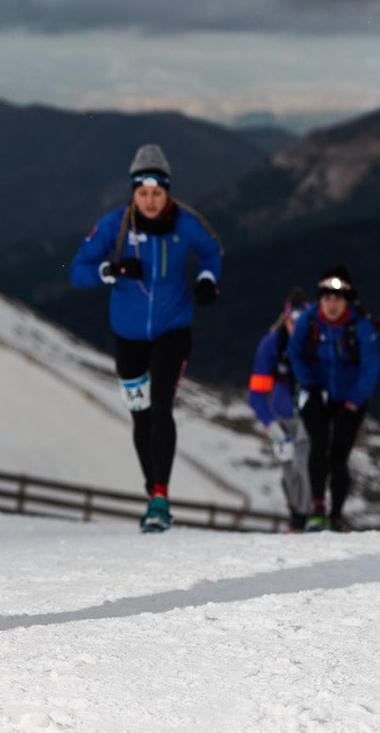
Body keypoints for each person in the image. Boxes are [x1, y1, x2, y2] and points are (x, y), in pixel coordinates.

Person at [69, 143, 223, 532]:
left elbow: (211, 252)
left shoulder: (186, 223)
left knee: (160, 409)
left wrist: (207, 280)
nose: (151, 201)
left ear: (168, 191)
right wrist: (112, 270)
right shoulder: (114, 225)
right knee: (140, 416)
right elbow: (77, 271)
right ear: (133, 192)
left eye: (157, 193)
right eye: (143, 193)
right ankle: (151, 489)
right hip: (129, 337)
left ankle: (160, 498)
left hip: (173, 330)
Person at [287, 264, 380, 532]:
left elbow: (370, 368)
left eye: (337, 299)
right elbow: (296, 353)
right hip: (316, 393)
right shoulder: (309, 321)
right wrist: (310, 385)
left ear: (347, 301)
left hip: (350, 400)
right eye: (327, 298)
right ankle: (318, 508)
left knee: (339, 454)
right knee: (318, 446)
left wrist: (355, 401)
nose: (331, 305)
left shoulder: (361, 328)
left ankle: (336, 514)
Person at [248, 289, 313, 532]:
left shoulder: (318, 342)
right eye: (294, 321)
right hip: (281, 416)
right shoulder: (272, 344)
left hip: (308, 414)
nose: (298, 327)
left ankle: (307, 517)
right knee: (288, 468)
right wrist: (270, 426)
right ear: (286, 319)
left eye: (303, 322)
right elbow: (256, 394)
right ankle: (296, 515)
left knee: (303, 462)